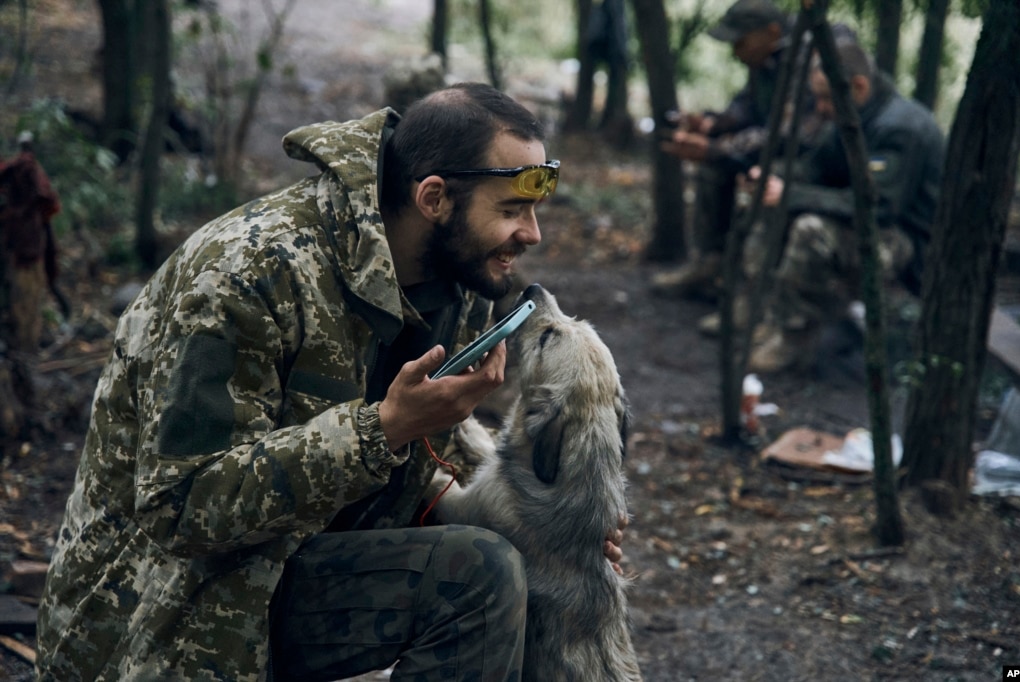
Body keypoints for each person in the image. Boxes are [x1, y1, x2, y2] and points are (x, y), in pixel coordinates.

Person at [36, 83, 624, 681]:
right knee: (480, 573)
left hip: (299, 568)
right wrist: (383, 429)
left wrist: (546, 533)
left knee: (515, 568)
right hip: (163, 609)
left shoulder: (458, 281)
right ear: (434, 198)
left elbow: (425, 465)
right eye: (510, 211)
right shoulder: (246, 271)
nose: (533, 234)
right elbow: (180, 508)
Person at [747, 40, 945, 373]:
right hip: (873, 228)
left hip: (910, 245)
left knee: (810, 230)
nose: (821, 108)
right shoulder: (853, 116)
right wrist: (770, 177)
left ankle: (795, 336)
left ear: (859, 86)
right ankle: (774, 314)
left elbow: (878, 207)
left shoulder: (901, 127)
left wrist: (790, 194)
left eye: (825, 98)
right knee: (774, 202)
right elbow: (816, 168)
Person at [651, 0, 822, 301]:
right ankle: (709, 262)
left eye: (741, 41)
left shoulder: (806, 58)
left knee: (760, 181)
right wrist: (711, 124)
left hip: (808, 160)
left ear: (771, 32)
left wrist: (718, 148)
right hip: (770, 150)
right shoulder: (763, 61)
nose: (736, 51)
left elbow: (789, 132)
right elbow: (745, 108)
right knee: (712, 170)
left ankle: (753, 289)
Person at [0, 130, 63, 352]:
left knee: (25, 307)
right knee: (21, 305)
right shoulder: (16, 175)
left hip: (26, 253)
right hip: (20, 252)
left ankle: (24, 352)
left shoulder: (25, 175)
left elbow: (45, 205)